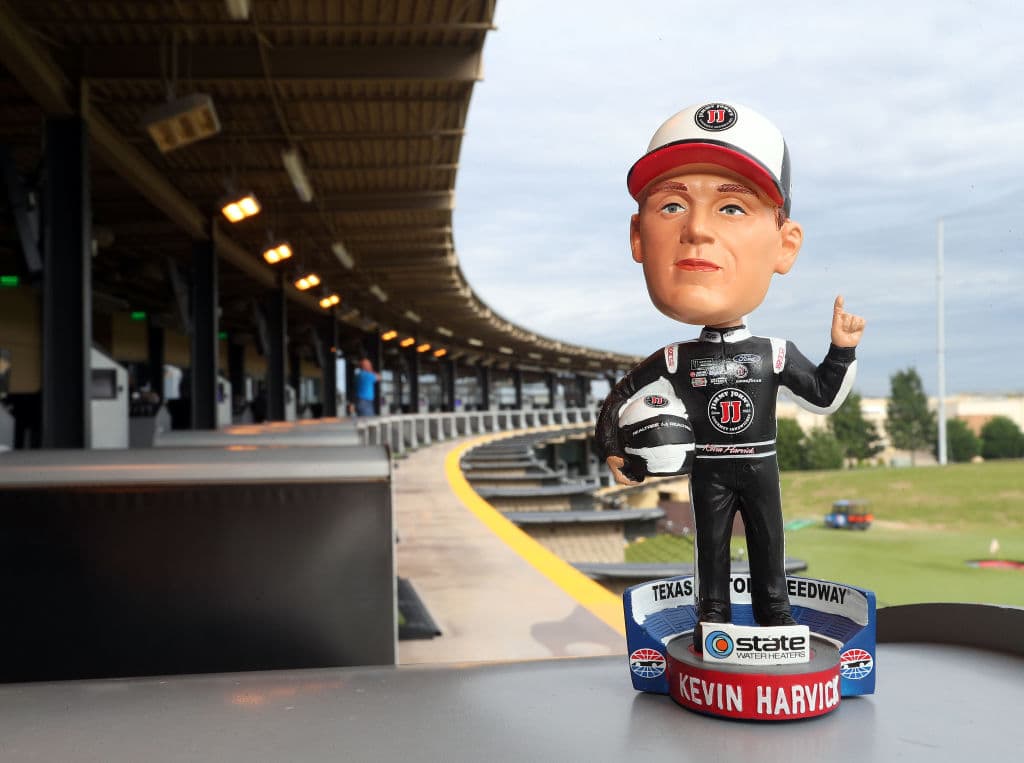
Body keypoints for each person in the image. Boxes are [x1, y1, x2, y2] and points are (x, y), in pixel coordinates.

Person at [595, 101, 865, 648]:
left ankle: (775, 615)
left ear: (785, 245)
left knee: (770, 541)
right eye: (672, 205)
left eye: (733, 208)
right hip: (710, 468)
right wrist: (613, 447)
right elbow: (620, 395)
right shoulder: (676, 358)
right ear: (638, 237)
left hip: (760, 463)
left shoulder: (774, 353)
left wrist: (841, 350)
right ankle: (712, 614)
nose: (696, 230)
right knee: (710, 546)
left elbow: (823, 393)